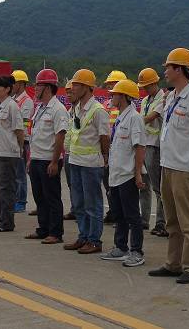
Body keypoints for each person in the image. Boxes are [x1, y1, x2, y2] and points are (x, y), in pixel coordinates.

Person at [148, 48, 189, 285]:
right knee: (172, 219)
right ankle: (173, 263)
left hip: (185, 168)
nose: (165, 71)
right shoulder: (171, 96)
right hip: (168, 164)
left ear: (179, 69)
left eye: (168, 67)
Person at [63, 69, 110, 254]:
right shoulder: (75, 108)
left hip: (91, 163)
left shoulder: (98, 111)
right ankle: (83, 237)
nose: (72, 88)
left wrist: (105, 157)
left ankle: (94, 240)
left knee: (93, 204)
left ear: (87, 87)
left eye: (76, 85)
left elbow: (104, 137)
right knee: (79, 203)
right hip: (75, 160)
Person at [100, 79, 146, 267]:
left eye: (116, 94)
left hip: (127, 175)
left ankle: (136, 251)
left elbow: (140, 147)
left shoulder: (134, 118)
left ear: (125, 96)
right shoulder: (120, 117)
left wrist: (137, 174)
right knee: (118, 214)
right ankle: (121, 247)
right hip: (116, 174)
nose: (112, 97)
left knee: (132, 215)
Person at [25, 69, 69, 244]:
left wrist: (54, 161)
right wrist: (30, 159)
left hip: (48, 160)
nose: (35, 88)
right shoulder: (40, 108)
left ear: (48, 87)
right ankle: (43, 229)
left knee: (52, 197)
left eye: (38, 85)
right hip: (36, 159)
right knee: (39, 197)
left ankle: (55, 232)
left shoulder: (58, 109)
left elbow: (60, 136)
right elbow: (35, 135)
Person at [0, 75, 25, 232]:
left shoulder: (12, 106)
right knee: (0, 187)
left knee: (6, 188)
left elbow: (19, 130)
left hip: (8, 153)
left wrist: (20, 149)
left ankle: (7, 222)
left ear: (8, 89)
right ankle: (1, 219)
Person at [137, 67, 167, 237]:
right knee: (144, 185)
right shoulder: (145, 100)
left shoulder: (162, 99)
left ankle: (161, 222)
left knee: (158, 187)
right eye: (143, 86)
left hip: (156, 146)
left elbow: (150, 117)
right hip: (145, 144)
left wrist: (134, 122)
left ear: (155, 83)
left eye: (147, 85)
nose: (145, 89)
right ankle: (144, 219)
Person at [102, 70, 128, 224]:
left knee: (121, 184)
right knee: (108, 183)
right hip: (109, 147)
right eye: (110, 84)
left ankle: (121, 214)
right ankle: (113, 211)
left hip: (120, 148)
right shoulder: (106, 104)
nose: (111, 87)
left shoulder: (126, 107)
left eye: (113, 84)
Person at [11, 70, 34, 213]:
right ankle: (15, 199)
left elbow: (22, 122)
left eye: (14, 83)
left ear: (20, 84)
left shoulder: (27, 101)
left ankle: (21, 202)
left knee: (20, 174)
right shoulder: (12, 100)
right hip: (11, 140)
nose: (11, 86)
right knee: (13, 174)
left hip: (22, 141)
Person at [63, 80, 77, 221]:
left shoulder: (83, 111)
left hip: (79, 154)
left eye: (71, 92)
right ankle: (75, 209)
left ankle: (80, 210)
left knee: (79, 185)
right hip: (68, 152)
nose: (68, 95)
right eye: (67, 92)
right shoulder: (69, 111)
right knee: (71, 184)